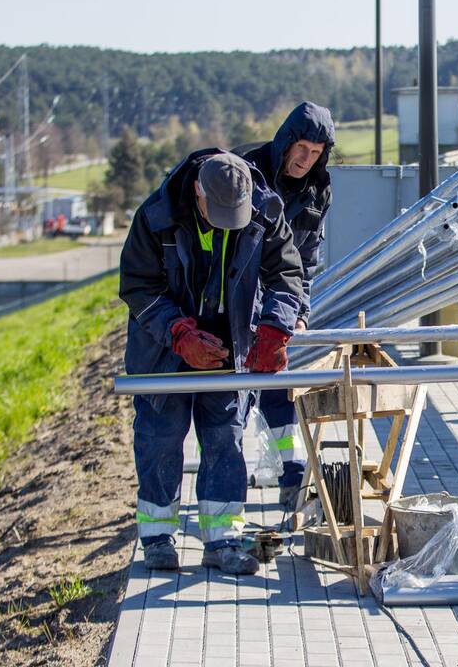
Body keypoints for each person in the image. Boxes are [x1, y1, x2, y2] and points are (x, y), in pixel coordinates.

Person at [119, 149, 304, 574]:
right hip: (165, 350)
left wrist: (275, 328)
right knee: (161, 438)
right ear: (199, 192)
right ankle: (157, 538)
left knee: (224, 437)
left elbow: (288, 273)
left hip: (227, 344)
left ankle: (222, 541)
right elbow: (139, 287)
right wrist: (178, 333)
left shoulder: (262, 207)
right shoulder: (156, 215)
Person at [239, 102, 335, 509]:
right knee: (234, 397)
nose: (305, 160)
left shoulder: (318, 190)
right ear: (285, 141)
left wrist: (300, 313)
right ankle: (228, 488)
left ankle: (293, 482)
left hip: (282, 302)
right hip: (239, 301)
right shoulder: (249, 171)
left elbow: (308, 260)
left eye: (315, 153)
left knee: (282, 392)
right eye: (301, 149)